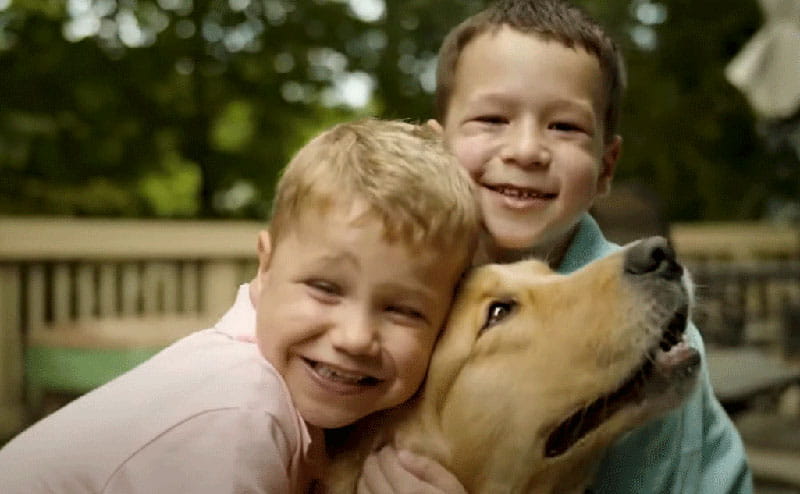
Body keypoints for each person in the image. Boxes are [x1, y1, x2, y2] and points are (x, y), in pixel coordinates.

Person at [356, 1, 754, 493]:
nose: (525, 150)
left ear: (606, 166)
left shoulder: (665, 343)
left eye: (564, 126)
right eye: (492, 119)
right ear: (435, 150)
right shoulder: (397, 278)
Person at [0, 119, 481, 493]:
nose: (355, 336)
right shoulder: (239, 414)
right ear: (265, 268)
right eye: (325, 288)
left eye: (403, 310)